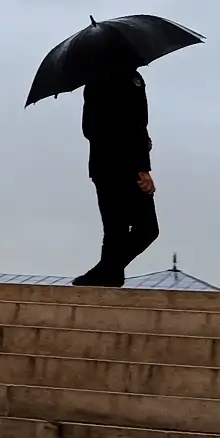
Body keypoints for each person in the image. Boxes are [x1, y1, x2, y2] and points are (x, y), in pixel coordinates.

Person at [71, 62, 159, 287]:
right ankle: (107, 271)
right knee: (145, 228)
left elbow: (88, 129)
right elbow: (137, 124)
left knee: (116, 228)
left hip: (102, 164)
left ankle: (108, 273)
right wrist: (142, 167)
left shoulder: (93, 81)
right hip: (126, 165)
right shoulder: (132, 80)